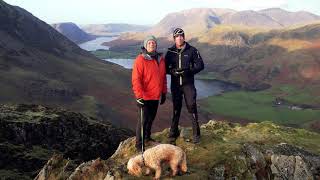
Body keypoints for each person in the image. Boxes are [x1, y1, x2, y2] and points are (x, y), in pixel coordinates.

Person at [165, 28, 204, 144]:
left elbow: (200, 65)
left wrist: (188, 71)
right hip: (176, 86)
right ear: (174, 38)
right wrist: (172, 72)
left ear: (184, 37)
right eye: (177, 36)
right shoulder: (170, 52)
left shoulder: (192, 50)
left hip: (188, 85)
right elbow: (165, 68)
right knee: (176, 108)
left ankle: (196, 134)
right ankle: (173, 133)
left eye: (181, 36)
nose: (180, 38)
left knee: (192, 107)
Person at [132, 35, 167, 152]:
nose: (152, 44)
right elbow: (136, 79)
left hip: (155, 96)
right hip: (144, 97)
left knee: (151, 118)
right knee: (142, 120)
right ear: (145, 46)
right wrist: (139, 96)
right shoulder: (140, 60)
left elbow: (163, 78)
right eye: (149, 43)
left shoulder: (160, 60)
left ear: (156, 45)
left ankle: (147, 138)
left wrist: (164, 92)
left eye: (153, 43)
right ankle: (139, 145)